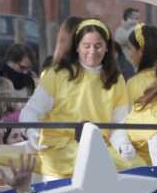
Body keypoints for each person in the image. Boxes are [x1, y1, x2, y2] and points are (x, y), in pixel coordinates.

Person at [16, 19, 132, 180]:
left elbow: (119, 123)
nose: (92, 51)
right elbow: (31, 111)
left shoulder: (116, 79)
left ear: (107, 48)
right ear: (77, 47)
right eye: (87, 46)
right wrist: (31, 131)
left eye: (98, 46)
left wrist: (122, 144)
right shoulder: (57, 74)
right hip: (58, 151)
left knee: (133, 168)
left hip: (99, 151)